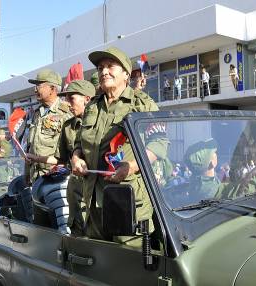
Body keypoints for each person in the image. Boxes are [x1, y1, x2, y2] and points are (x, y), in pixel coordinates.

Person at [71, 46, 158, 244]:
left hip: (126, 201)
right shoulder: (93, 106)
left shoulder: (142, 104)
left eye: (110, 66)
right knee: (99, 261)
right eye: (100, 67)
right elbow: (79, 142)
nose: (103, 71)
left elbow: (159, 146)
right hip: (92, 201)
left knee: (129, 263)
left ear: (126, 74)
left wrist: (131, 167)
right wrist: (76, 157)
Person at [27, 79, 95, 235]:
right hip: (74, 188)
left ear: (87, 99)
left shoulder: (102, 124)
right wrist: (35, 159)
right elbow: (62, 159)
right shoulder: (69, 126)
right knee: (71, 231)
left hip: (95, 190)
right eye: (66, 98)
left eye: (72, 98)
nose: (68, 103)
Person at [25, 69, 72, 184]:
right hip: (34, 176)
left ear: (52, 89)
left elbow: (73, 150)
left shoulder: (66, 113)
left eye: (39, 85)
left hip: (55, 178)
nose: (35, 89)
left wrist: (62, 168)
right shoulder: (37, 113)